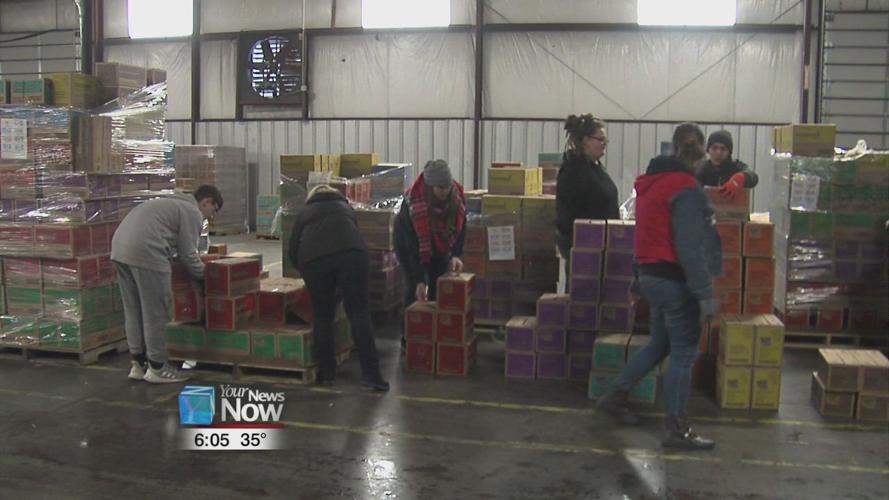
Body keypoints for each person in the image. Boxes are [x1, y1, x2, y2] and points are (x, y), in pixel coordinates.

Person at [597, 123, 723, 451]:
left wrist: (640, 278)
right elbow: (690, 246)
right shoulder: (686, 188)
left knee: (659, 345)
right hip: (674, 281)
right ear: (698, 157)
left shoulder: (650, 185)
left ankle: (616, 395)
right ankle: (677, 428)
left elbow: (644, 234)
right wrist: (705, 293)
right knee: (684, 352)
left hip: (652, 278)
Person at [111, 185, 223, 384]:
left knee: (133, 310)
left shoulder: (167, 202)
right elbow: (189, 255)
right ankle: (158, 367)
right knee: (155, 312)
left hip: (119, 250)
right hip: (147, 253)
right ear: (206, 202)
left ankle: (138, 364)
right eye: (213, 211)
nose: (210, 218)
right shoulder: (191, 212)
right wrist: (212, 278)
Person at [289, 184, 389, 391]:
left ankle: (327, 374)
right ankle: (373, 376)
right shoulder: (346, 208)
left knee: (323, 316)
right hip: (352, 255)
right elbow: (353, 235)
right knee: (359, 314)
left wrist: (308, 273)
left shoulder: (305, 212)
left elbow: (292, 249)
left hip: (314, 261)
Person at [394, 160, 467, 345]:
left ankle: (435, 337)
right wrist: (419, 279)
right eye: (440, 188)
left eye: (447, 186)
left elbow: (462, 226)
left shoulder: (456, 197)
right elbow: (412, 246)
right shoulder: (413, 204)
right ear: (430, 186)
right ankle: (409, 339)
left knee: (438, 286)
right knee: (413, 290)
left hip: (440, 245)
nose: (444, 191)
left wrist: (456, 254)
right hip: (411, 246)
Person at [555, 114, 619, 286]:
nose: (604, 143)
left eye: (606, 140)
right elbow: (566, 215)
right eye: (600, 139)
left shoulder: (596, 168)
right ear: (585, 140)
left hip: (604, 250)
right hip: (586, 254)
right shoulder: (573, 171)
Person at [695, 129, 758, 199]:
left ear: (729, 152)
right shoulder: (700, 169)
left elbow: (753, 177)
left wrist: (741, 178)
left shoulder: (736, 167)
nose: (718, 153)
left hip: (733, 209)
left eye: (723, 149)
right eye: (714, 148)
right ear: (708, 150)